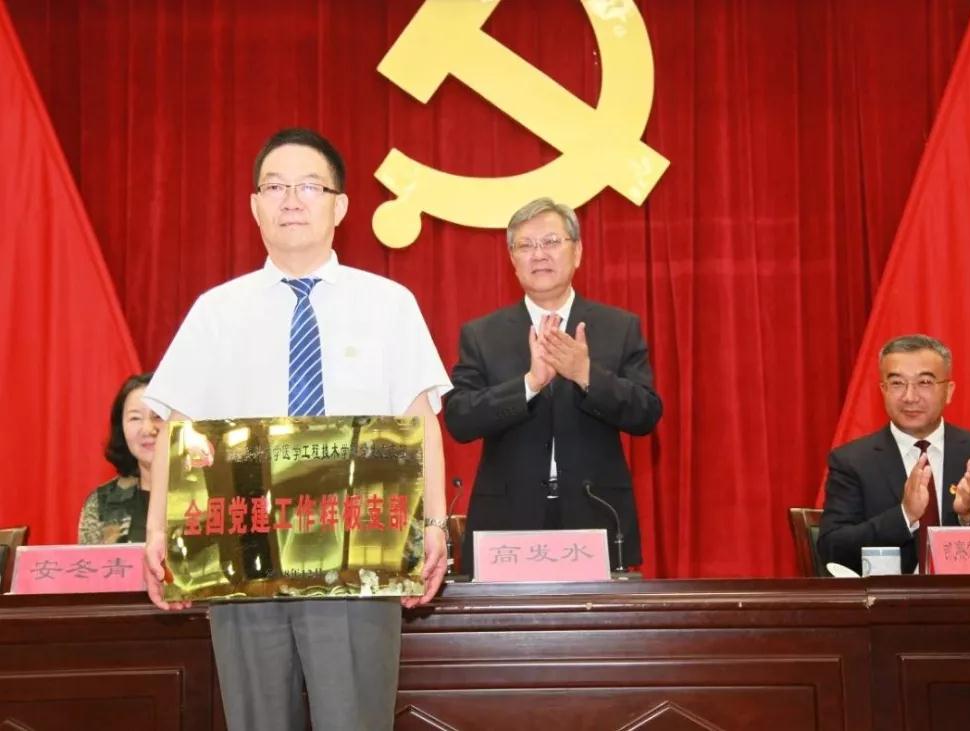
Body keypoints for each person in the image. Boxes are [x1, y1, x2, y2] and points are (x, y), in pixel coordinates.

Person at [141, 128, 451, 731]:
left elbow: (420, 422)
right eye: (274, 187)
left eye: (309, 187)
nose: (290, 200)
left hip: (360, 554)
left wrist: (434, 525)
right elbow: (179, 431)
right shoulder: (215, 311)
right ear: (254, 205)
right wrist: (158, 533)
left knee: (355, 720)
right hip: (242, 553)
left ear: (340, 206)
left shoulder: (388, 304)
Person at [444, 197, 662, 575]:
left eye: (551, 242)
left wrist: (586, 374)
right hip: (507, 520)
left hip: (596, 514)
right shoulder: (483, 334)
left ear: (577, 252)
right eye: (526, 245)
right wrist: (529, 384)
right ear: (512, 259)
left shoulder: (618, 326)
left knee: (596, 617)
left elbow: (646, 413)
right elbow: (459, 418)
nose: (539, 254)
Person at [818, 334, 970, 574]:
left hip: (969, 596)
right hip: (891, 596)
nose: (910, 397)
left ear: (948, 391)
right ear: (883, 390)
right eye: (897, 383)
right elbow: (832, 548)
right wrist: (904, 515)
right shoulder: (852, 461)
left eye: (925, 382)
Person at [78, 373, 161, 544]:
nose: (148, 429)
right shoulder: (102, 502)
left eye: (158, 416)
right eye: (135, 418)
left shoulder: (207, 495)